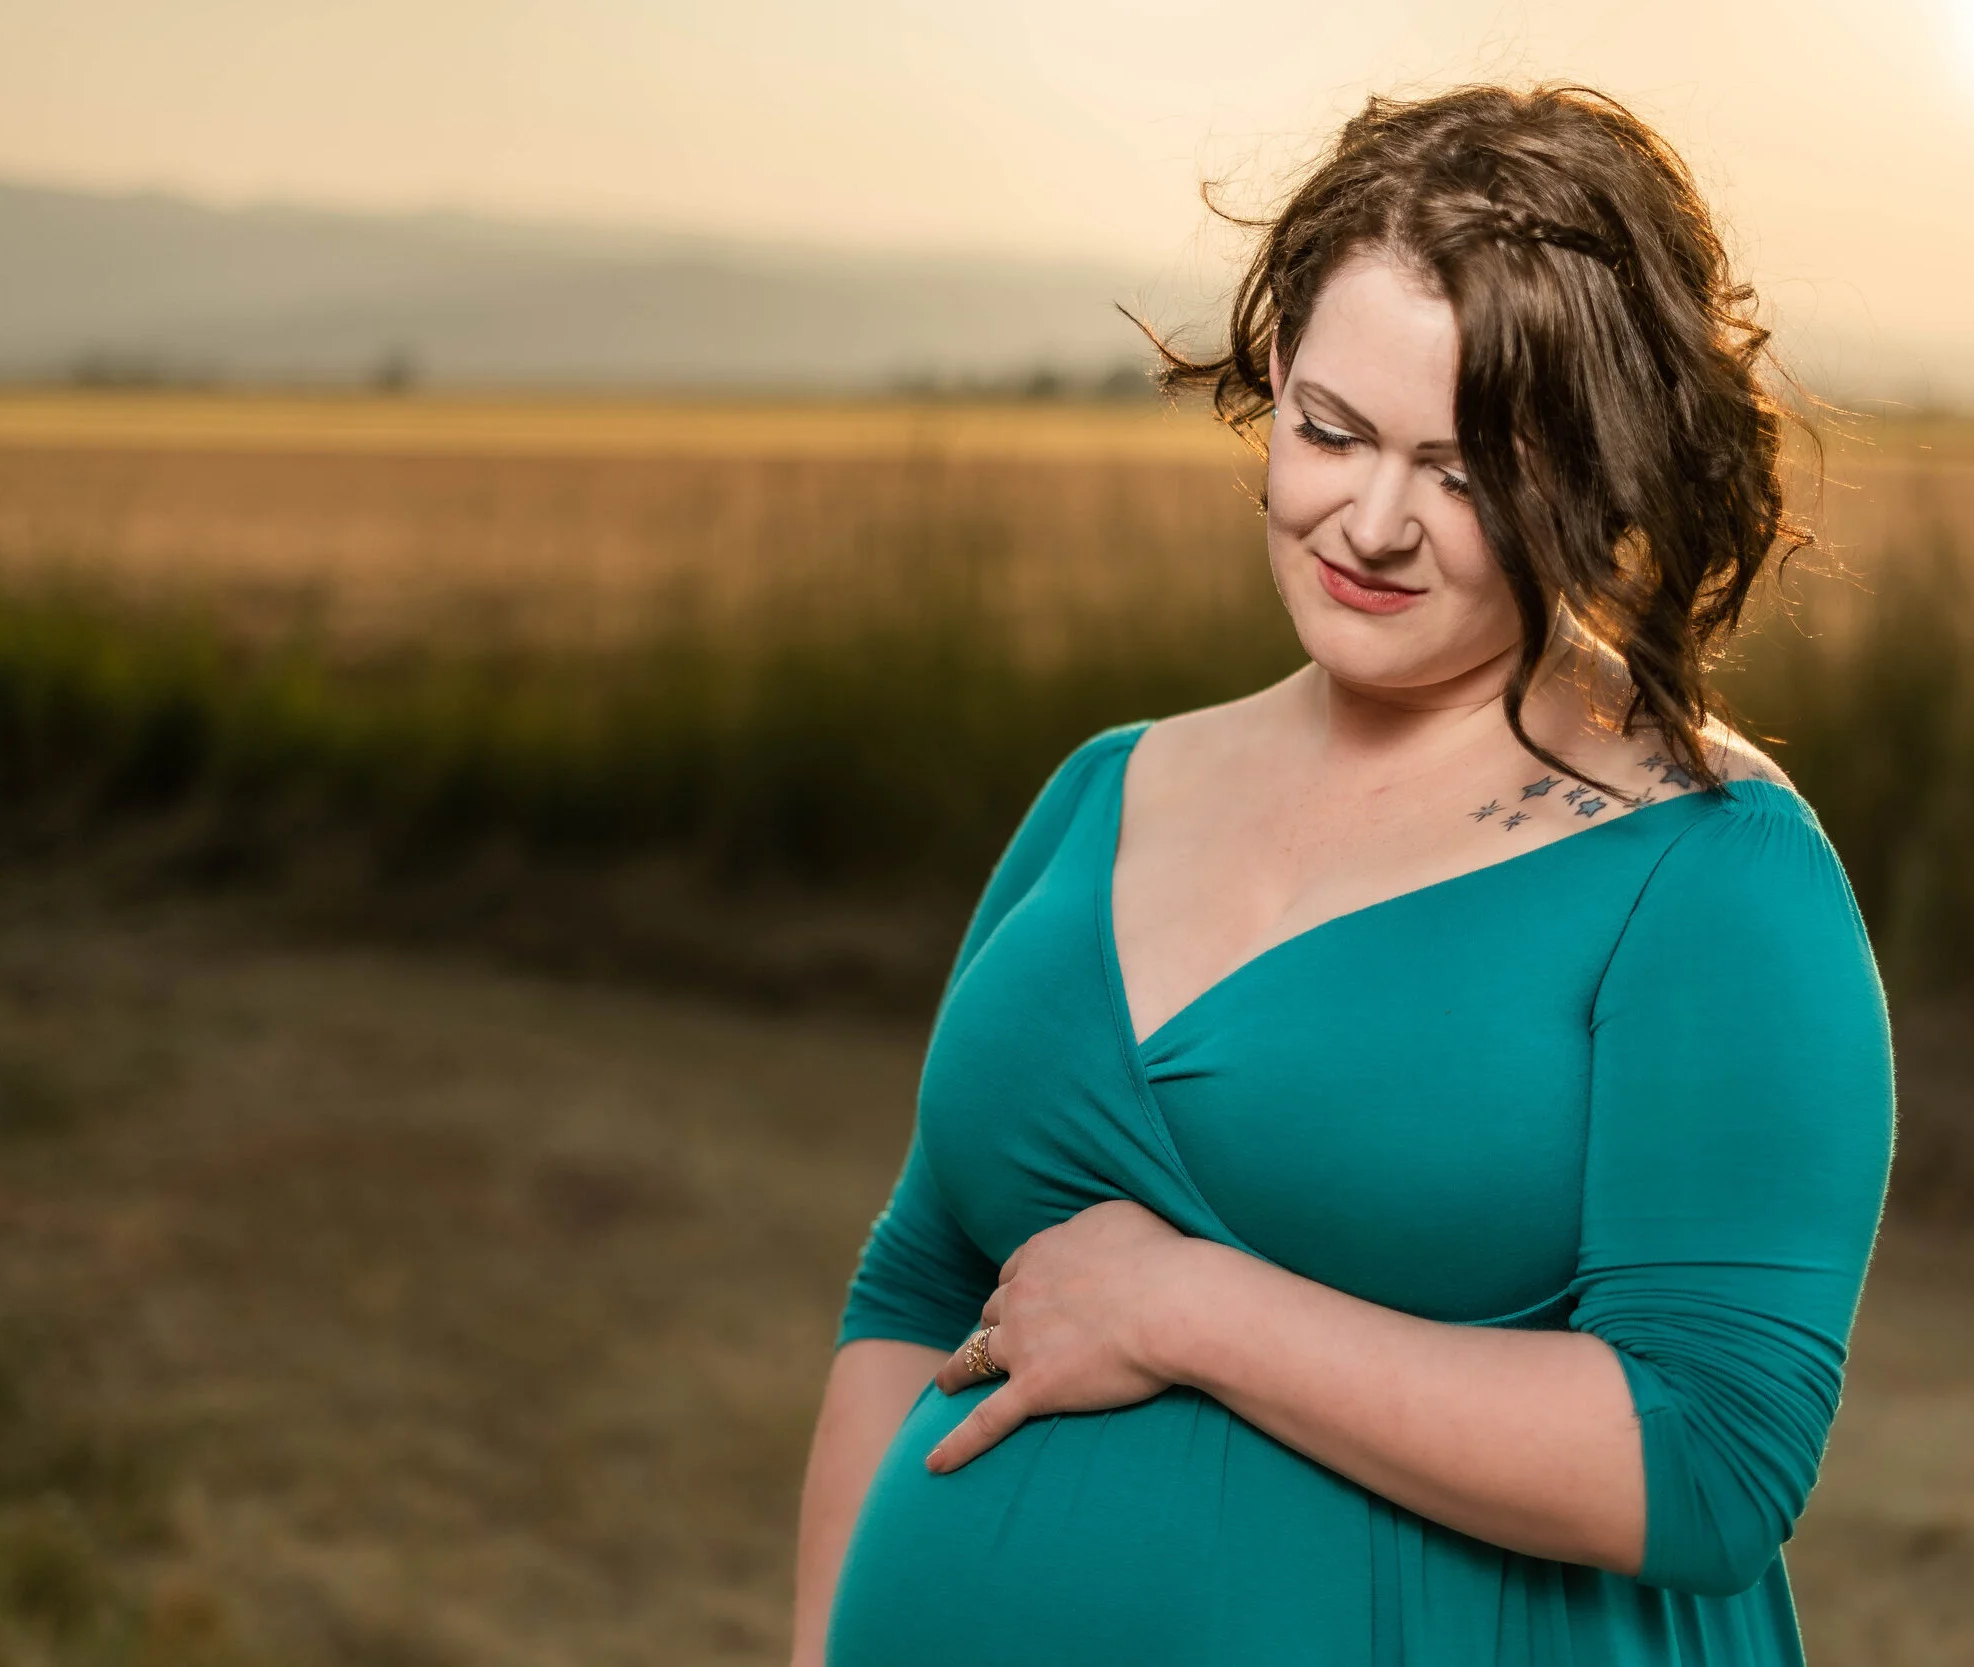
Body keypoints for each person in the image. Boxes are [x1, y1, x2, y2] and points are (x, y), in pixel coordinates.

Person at [789, 83, 1894, 1667]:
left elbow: (1709, 1455)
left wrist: (1188, 1310)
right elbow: (921, 1281)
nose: (1371, 523)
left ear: (1609, 478)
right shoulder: (1108, 787)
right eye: (1332, 431)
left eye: (1467, 469)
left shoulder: (1714, 873)